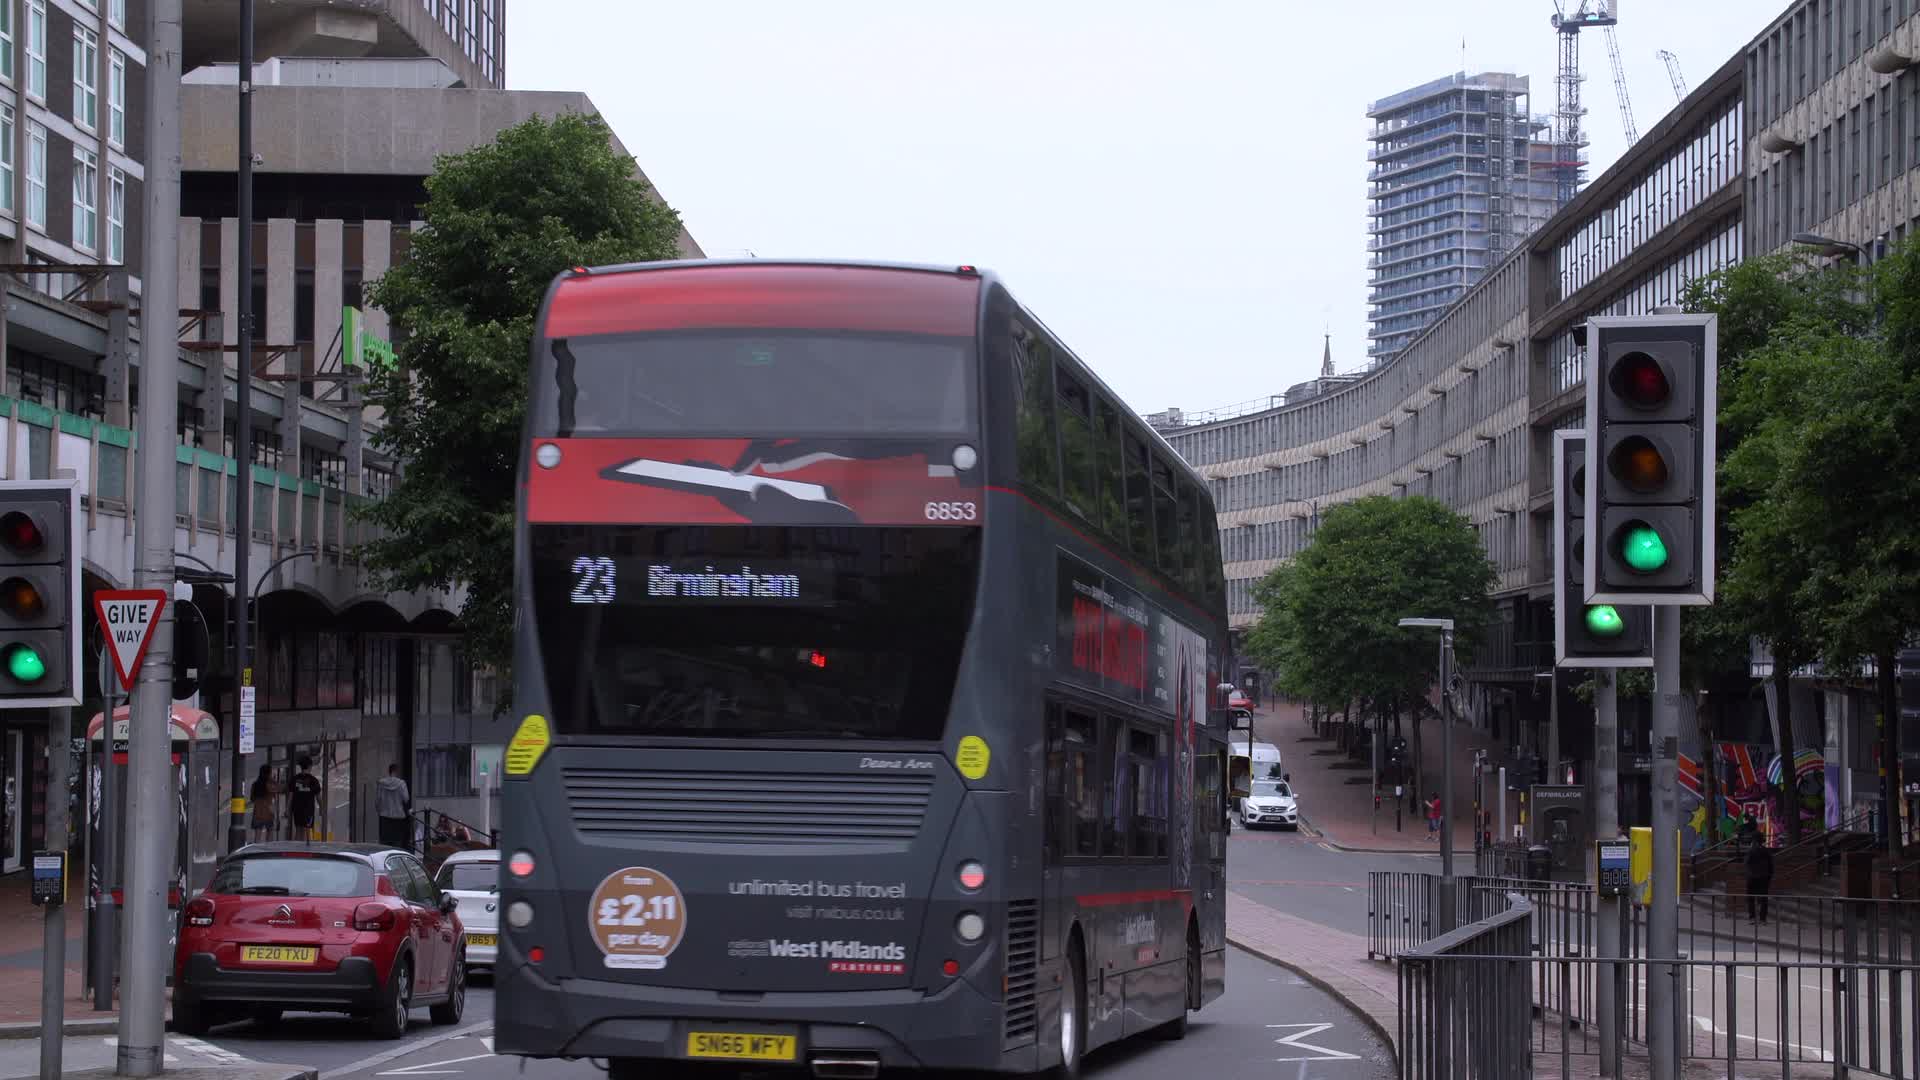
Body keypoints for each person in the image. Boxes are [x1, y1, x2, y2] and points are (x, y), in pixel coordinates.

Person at [375, 764, 412, 849]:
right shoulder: (401, 784)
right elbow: (406, 798)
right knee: (397, 842)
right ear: (396, 771)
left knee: (384, 842)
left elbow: (377, 801)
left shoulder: (381, 783)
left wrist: (379, 811)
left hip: (384, 816)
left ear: (389, 771)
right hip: (398, 817)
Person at [288, 756, 323, 841]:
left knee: (298, 830)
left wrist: (287, 809)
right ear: (310, 766)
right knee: (307, 831)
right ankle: (305, 849)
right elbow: (318, 797)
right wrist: (322, 808)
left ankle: (296, 850)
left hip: (297, 809)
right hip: (308, 810)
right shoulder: (313, 780)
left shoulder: (294, 779)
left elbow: (290, 796)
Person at [1745, 837, 1774, 924]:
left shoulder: (1750, 851)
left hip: (1752, 877)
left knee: (1751, 898)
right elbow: (1771, 865)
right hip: (1764, 878)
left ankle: (1752, 917)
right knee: (1764, 898)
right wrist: (1769, 876)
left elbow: (1747, 863)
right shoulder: (1766, 851)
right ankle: (1762, 918)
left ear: (1754, 841)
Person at [247, 764, 276, 842]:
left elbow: (252, 799)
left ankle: (257, 852)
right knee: (269, 834)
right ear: (268, 773)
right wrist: (273, 780)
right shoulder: (271, 784)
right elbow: (277, 792)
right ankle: (268, 852)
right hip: (268, 812)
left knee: (257, 836)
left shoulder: (255, 784)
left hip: (258, 812)